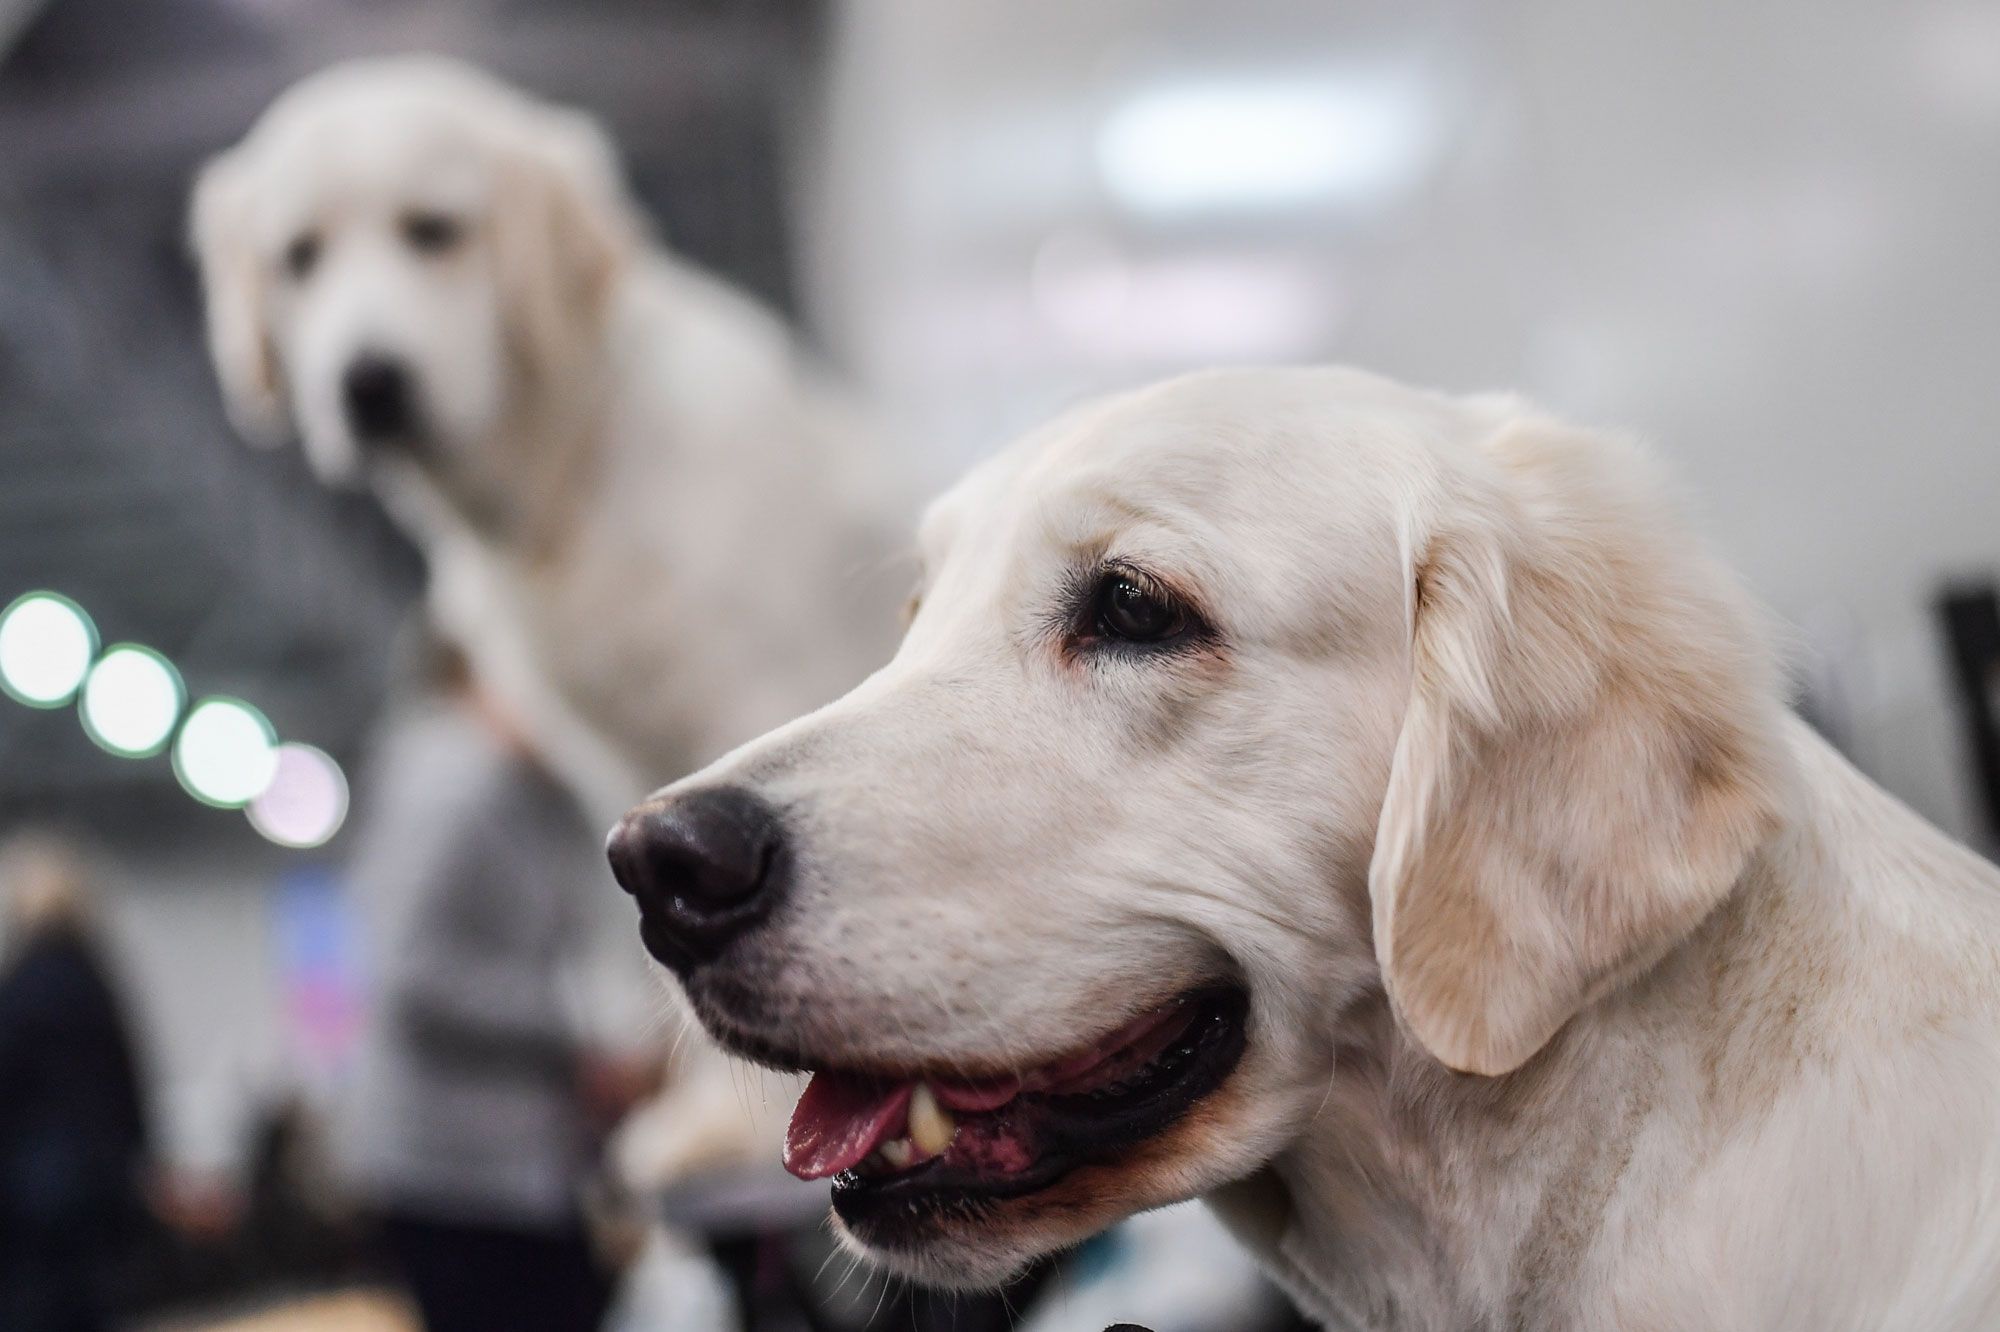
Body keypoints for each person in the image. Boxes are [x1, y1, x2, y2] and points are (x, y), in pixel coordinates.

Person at [343, 642, 631, 1332]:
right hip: (462, 1172)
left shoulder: (497, 784)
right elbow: (411, 976)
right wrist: (574, 1045)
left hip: (488, 1166)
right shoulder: (456, 784)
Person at [0, 833, 154, 1332]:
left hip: (31, 1193)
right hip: (100, 1183)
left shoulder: (21, 988)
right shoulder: (99, 984)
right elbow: (131, 1088)